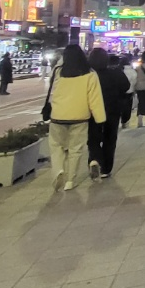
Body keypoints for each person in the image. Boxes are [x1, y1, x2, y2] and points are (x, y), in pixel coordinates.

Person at [45, 44, 105, 192]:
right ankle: (70, 180)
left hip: (58, 115)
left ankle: (59, 170)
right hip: (80, 117)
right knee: (75, 149)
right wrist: (99, 119)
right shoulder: (90, 74)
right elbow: (95, 99)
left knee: (56, 146)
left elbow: (51, 92)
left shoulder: (58, 71)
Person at [86, 48, 131, 181]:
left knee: (93, 138)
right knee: (110, 139)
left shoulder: (88, 75)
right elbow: (126, 86)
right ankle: (106, 169)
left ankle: (94, 159)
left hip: (93, 111)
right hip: (112, 110)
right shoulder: (115, 73)